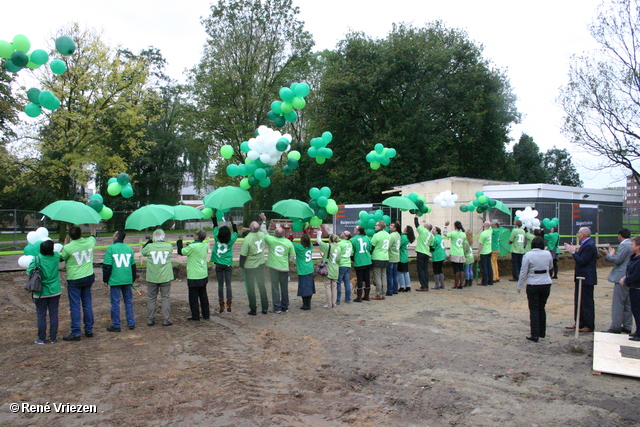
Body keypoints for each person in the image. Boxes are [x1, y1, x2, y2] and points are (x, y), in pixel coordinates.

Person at [60, 226, 96, 341]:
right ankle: (89, 330)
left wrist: (65, 244)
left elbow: (61, 258)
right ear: (81, 234)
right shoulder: (89, 242)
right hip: (88, 276)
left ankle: (76, 332)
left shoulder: (68, 247)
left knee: (75, 306)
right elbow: (93, 236)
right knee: (87, 304)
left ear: (70, 236)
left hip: (75, 279)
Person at [516, 236, 553, 342]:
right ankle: (542, 331)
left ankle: (535, 333)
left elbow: (523, 272)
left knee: (534, 309)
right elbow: (550, 267)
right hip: (546, 282)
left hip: (533, 283)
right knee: (542, 307)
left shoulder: (528, 255)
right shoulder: (547, 254)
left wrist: (519, 286)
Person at [564, 227, 598, 332]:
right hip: (581, 278)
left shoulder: (589, 246)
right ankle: (579, 322)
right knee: (579, 301)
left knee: (586, 302)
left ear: (583, 234)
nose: (577, 235)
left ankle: (588, 325)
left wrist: (573, 253)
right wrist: (574, 251)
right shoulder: (586, 245)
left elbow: (582, 261)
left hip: (586, 278)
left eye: (578, 233)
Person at [599, 228, 633, 334]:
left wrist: (607, 255)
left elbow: (618, 260)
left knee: (618, 303)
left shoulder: (624, 245)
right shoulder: (631, 244)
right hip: (630, 276)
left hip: (621, 277)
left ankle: (616, 326)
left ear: (620, 235)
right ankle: (627, 325)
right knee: (628, 303)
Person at [28, 240, 61, 344]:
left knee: (41, 315)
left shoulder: (36, 259)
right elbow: (62, 256)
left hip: (40, 291)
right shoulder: (56, 256)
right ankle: (53, 337)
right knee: (54, 314)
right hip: (55, 290)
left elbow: (29, 271)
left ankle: (42, 338)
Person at [103, 230, 137, 332]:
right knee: (128, 302)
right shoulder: (128, 249)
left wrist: (105, 279)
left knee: (115, 302)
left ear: (116, 237)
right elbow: (133, 266)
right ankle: (131, 322)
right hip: (127, 279)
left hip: (115, 279)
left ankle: (116, 325)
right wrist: (132, 278)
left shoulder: (111, 249)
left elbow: (107, 266)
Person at [141, 229, 174, 327]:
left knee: (151, 298)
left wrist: (149, 241)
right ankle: (166, 319)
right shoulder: (168, 246)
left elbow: (143, 252)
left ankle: (150, 319)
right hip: (165, 276)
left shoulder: (149, 247)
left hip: (152, 277)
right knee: (165, 298)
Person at [177, 229, 210, 321]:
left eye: (195, 234)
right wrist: (190, 245)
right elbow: (196, 249)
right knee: (203, 295)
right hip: (203, 274)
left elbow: (181, 252)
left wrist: (180, 241)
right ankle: (206, 314)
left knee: (193, 297)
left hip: (194, 275)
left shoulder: (192, 247)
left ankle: (195, 316)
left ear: (197, 237)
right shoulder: (204, 245)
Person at [239, 213, 269, 315]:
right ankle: (265, 308)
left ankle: (253, 309)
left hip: (250, 266)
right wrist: (263, 221)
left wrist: (241, 265)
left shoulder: (247, 239)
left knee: (251, 289)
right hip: (260, 264)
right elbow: (262, 230)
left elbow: (243, 255)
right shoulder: (261, 235)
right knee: (262, 286)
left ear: (250, 229)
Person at [210, 214, 238, 313]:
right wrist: (232, 222)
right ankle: (229, 303)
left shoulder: (216, 237)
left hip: (218, 264)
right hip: (228, 264)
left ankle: (221, 304)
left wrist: (214, 217)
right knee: (228, 284)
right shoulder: (231, 240)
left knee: (220, 285)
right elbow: (236, 232)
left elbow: (215, 227)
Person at [265, 225, 295, 313]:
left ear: (275, 234)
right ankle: (285, 306)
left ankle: (277, 307)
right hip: (284, 268)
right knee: (284, 288)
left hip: (274, 267)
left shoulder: (271, 240)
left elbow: (264, 232)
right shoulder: (288, 242)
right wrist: (289, 264)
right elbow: (292, 256)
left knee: (275, 287)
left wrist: (264, 221)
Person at [620, 235, 640, 341]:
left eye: (632, 244)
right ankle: (637, 331)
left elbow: (637, 275)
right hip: (633, 288)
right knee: (635, 310)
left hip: (638, 289)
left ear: (638, 246)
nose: (631, 246)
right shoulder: (634, 258)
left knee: (638, 310)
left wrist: (626, 280)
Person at [317, 232, 342, 308]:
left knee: (327, 286)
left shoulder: (328, 246)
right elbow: (338, 260)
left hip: (328, 268)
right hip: (335, 268)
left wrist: (319, 233)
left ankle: (329, 303)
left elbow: (319, 241)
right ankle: (334, 303)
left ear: (330, 240)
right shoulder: (339, 248)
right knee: (334, 287)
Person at [293, 233, 315, 310]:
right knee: (310, 288)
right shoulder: (311, 245)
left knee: (303, 288)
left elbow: (291, 242)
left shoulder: (299, 247)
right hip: (310, 269)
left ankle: (305, 304)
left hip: (302, 270)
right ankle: (308, 304)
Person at [443, 221, 467, 289]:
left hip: (454, 253)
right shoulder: (463, 234)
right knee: (461, 269)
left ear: (455, 226)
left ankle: (456, 284)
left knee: (456, 270)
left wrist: (445, 226)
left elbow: (445, 234)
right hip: (461, 253)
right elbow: (464, 244)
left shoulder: (453, 233)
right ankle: (461, 284)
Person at [370, 220, 390, 299]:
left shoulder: (376, 235)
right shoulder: (388, 235)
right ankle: (383, 292)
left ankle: (378, 293)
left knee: (377, 276)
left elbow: (372, 246)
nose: (375, 226)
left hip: (377, 257)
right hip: (385, 257)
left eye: (376, 225)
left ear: (380, 226)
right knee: (384, 276)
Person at [352, 225, 372, 302]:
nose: (354, 229)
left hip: (359, 260)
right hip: (367, 260)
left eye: (355, 228)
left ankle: (359, 297)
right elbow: (370, 248)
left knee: (359, 279)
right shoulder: (367, 238)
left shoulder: (354, 239)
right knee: (367, 278)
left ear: (358, 231)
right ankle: (366, 296)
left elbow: (352, 250)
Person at [414, 216, 433, 291]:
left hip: (421, 252)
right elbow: (431, 246)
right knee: (425, 269)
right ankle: (426, 284)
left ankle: (423, 286)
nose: (423, 226)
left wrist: (416, 217)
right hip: (427, 253)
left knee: (420, 270)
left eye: (425, 225)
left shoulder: (423, 230)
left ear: (427, 227)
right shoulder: (431, 235)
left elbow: (417, 224)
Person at [336, 230, 353, 304]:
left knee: (338, 282)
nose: (342, 233)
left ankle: (338, 299)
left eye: (344, 233)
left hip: (341, 264)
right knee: (347, 282)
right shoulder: (350, 244)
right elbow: (351, 253)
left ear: (346, 236)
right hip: (348, 263)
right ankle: (347, 298)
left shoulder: (339, 244)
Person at [398, 225, 415, 292]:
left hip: (401, 255)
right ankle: (408, 285)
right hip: (405, 255)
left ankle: (402, 286)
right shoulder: (408, 238)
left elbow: (399, 245)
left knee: (401, 272)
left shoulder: (403, 237)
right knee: (406, 272)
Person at [386, 222, 401, 295]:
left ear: (395, 228)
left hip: (391, 256)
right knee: (395, 275)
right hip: (396, 256)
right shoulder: (398, 235)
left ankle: (390, 290)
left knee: (390, 275)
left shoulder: (391, 236)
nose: (390, 226)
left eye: (391, 225)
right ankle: (395, 289)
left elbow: (388, 246)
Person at [478, 221, 494, 286]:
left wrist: (478, 253)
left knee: (484, 267)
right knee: (489, 266)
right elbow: (489, 223)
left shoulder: (483, 233)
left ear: (485, 225)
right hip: (489, 250)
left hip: (484, 251)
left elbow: (480, 244)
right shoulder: (490, 231)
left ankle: (484, 281)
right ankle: (490, 281)